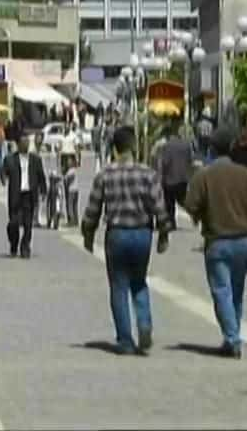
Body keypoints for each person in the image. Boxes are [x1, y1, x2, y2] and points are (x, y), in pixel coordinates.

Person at [81, 126, 172, 355]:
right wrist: (163, 233)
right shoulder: (147, 174)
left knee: (118, 287)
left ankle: (125, 341)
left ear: (114, 148)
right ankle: (144, 323)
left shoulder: (105, 174)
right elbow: (159, 206)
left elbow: (93, 207)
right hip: (142, 233)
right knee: (139, 281)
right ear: (133, 146)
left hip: (117, 234)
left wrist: (88, 234)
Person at [184, 127, 247, 358]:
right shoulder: (245, 174)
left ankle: (232, 338)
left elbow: (190, 205)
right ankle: (233, 334)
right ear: (232, 148)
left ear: (211, 149)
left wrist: (201, 217)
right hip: (244, 240)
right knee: (237, 291)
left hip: (218, 241)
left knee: (222, 291)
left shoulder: (204, 176)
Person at [0, 135, 46, 258]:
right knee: (13, 223)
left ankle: (25, 247)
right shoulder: (10, 159)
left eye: (27, 143)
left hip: (29, 195)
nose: (26, 145)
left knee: (28, 224)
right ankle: (13, 243)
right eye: (23, 142)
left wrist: (43, 191)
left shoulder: (35, 160)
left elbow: (41, 176)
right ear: (18, 144)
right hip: (15, 195)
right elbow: (3, 170)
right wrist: (3, 178)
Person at [160, 123, 194, 230]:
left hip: (169, 179)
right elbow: (190, 161)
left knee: (169, 203)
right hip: (183, 178)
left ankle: (171, 221)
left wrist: (161, 176)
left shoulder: (167, 146)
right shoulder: (186, 145)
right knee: (183, 200)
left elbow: (165, 162)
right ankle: (195, 213)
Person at [64, 156, 80, 227]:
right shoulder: (75, 170)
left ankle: (72, 221)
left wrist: (66, 181)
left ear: (72, 162)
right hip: (76, 189)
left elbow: (69, 179)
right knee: (75, 206)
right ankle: (76, 220)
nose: (68, 162)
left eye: (69, 161)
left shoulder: (71, 171)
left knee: (70, 206)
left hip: (71, 190)